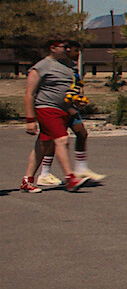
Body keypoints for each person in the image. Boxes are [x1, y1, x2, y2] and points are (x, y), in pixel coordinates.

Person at [20, 39, 90, 193]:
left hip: (63, 110)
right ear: (53, 48)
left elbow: (70, 90)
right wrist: (30, 119)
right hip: (46, 108)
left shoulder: (69, 66)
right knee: (62, 139)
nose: (68, 50)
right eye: (64, 47)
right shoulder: (41, 66)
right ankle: (70, 178)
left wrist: (76, 102)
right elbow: (29, 93)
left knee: (43, 144)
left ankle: (28, 180)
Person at [36, 59, 105, 187]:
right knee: (53, 139)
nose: (76, 54)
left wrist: (78, 101)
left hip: (70, 107)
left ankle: (81, 168)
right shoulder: (54, 68)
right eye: (73, 51)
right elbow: (55, 91)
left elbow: (73, 90)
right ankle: (45, 174)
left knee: (81, 133)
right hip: (57, 108)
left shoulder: (73, 69)